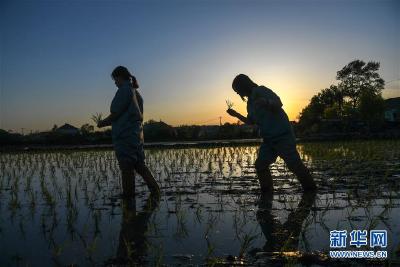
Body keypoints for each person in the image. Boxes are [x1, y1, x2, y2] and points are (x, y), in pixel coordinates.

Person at [226, 74, 316, 192]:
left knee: (295, 165)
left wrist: (266, 102)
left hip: (282, 135)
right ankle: (267, 192)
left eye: (238, 91)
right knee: (260, 165)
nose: (239, 94)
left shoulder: (261, 90)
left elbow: (279, 103)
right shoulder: (250, 103)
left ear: (244, 85)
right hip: (268, 140)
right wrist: (236, 114)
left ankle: (311, 191)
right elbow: (251, 121)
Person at [97, 66, 160, 197]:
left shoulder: (124, 90)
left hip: (124, 135)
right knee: (139, 165)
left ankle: (128, 198)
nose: (115, 83)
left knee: (126, 168)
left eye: (115, 79)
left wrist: (102, 123)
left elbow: (115, 113)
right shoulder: (136, 93)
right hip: (136, 135)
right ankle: (156, 190)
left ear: (120, 77)